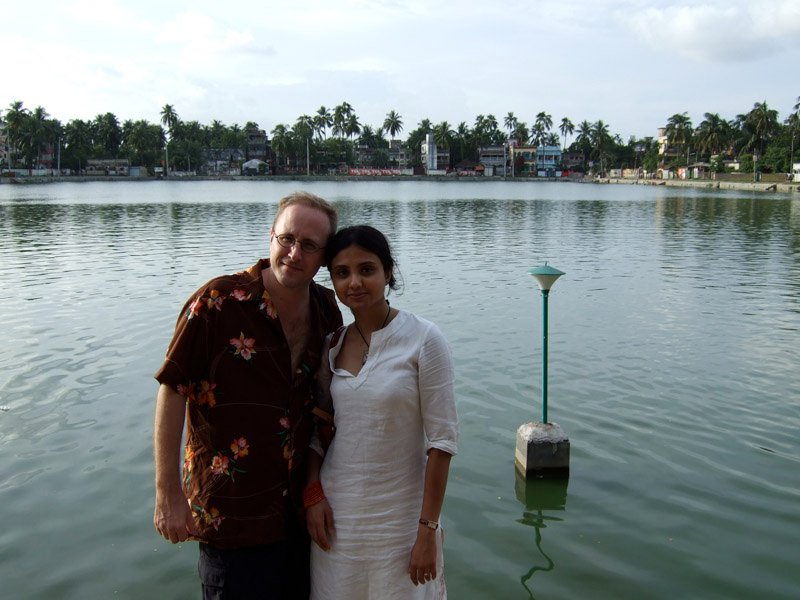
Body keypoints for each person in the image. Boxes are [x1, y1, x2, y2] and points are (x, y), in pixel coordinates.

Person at [153, 191, 343, 599]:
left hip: (297, 519)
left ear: (324, 258)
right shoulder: (217, 303)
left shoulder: (328, 310)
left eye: (309, 245)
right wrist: (168, 492)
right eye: (287, 238)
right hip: (230, 520)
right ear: (271, 236)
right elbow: (173, 388)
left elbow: (326, 407)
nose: (294, 253)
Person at [305, 225, 458, 599]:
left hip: (399, 522)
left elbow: (442, 443)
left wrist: (426, 531)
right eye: (342, 273)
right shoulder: (332, 344)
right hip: (337, 521)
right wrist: (312, 495)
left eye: (366, 269)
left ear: (388, 272)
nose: (354, 282)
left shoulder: (423, 339)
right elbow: (320, 429)